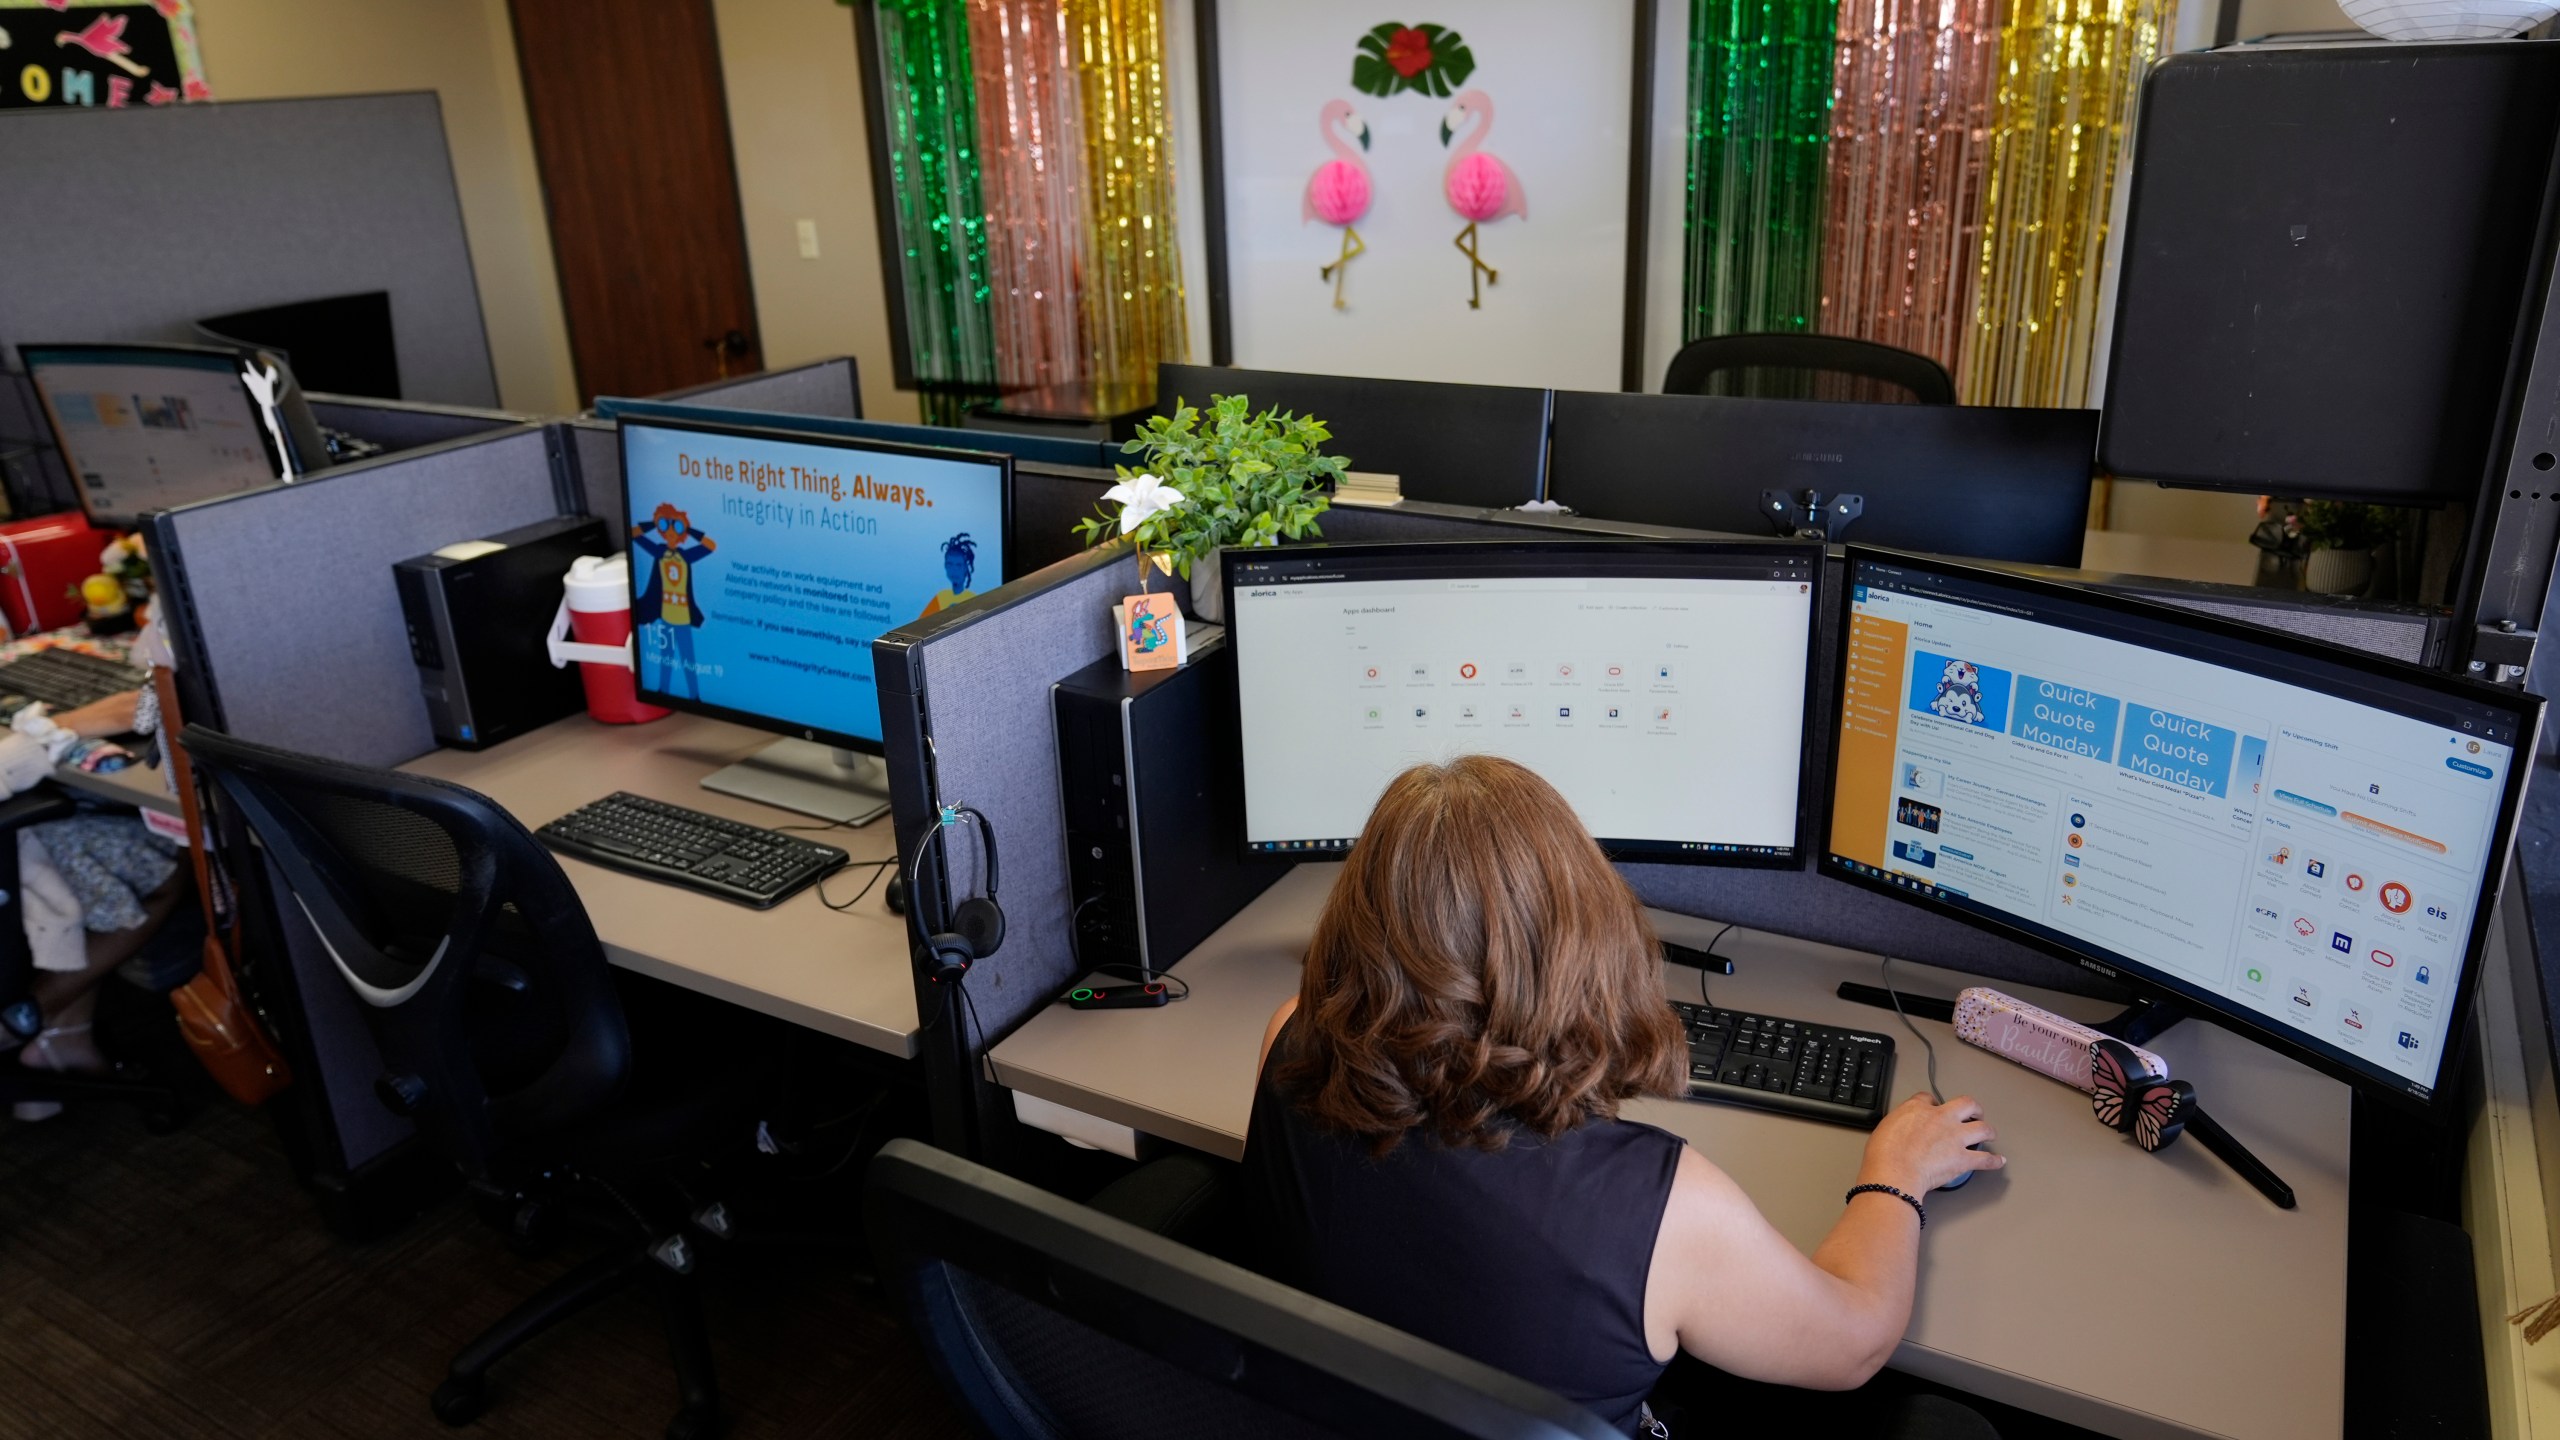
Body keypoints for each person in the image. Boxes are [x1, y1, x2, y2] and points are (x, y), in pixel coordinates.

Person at [1242, 756, 2003, 1436]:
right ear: (1581, 936)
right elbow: (1856, 1343)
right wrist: (1895, 1176)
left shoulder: (1289, 1044)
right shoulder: (1658, 1207)